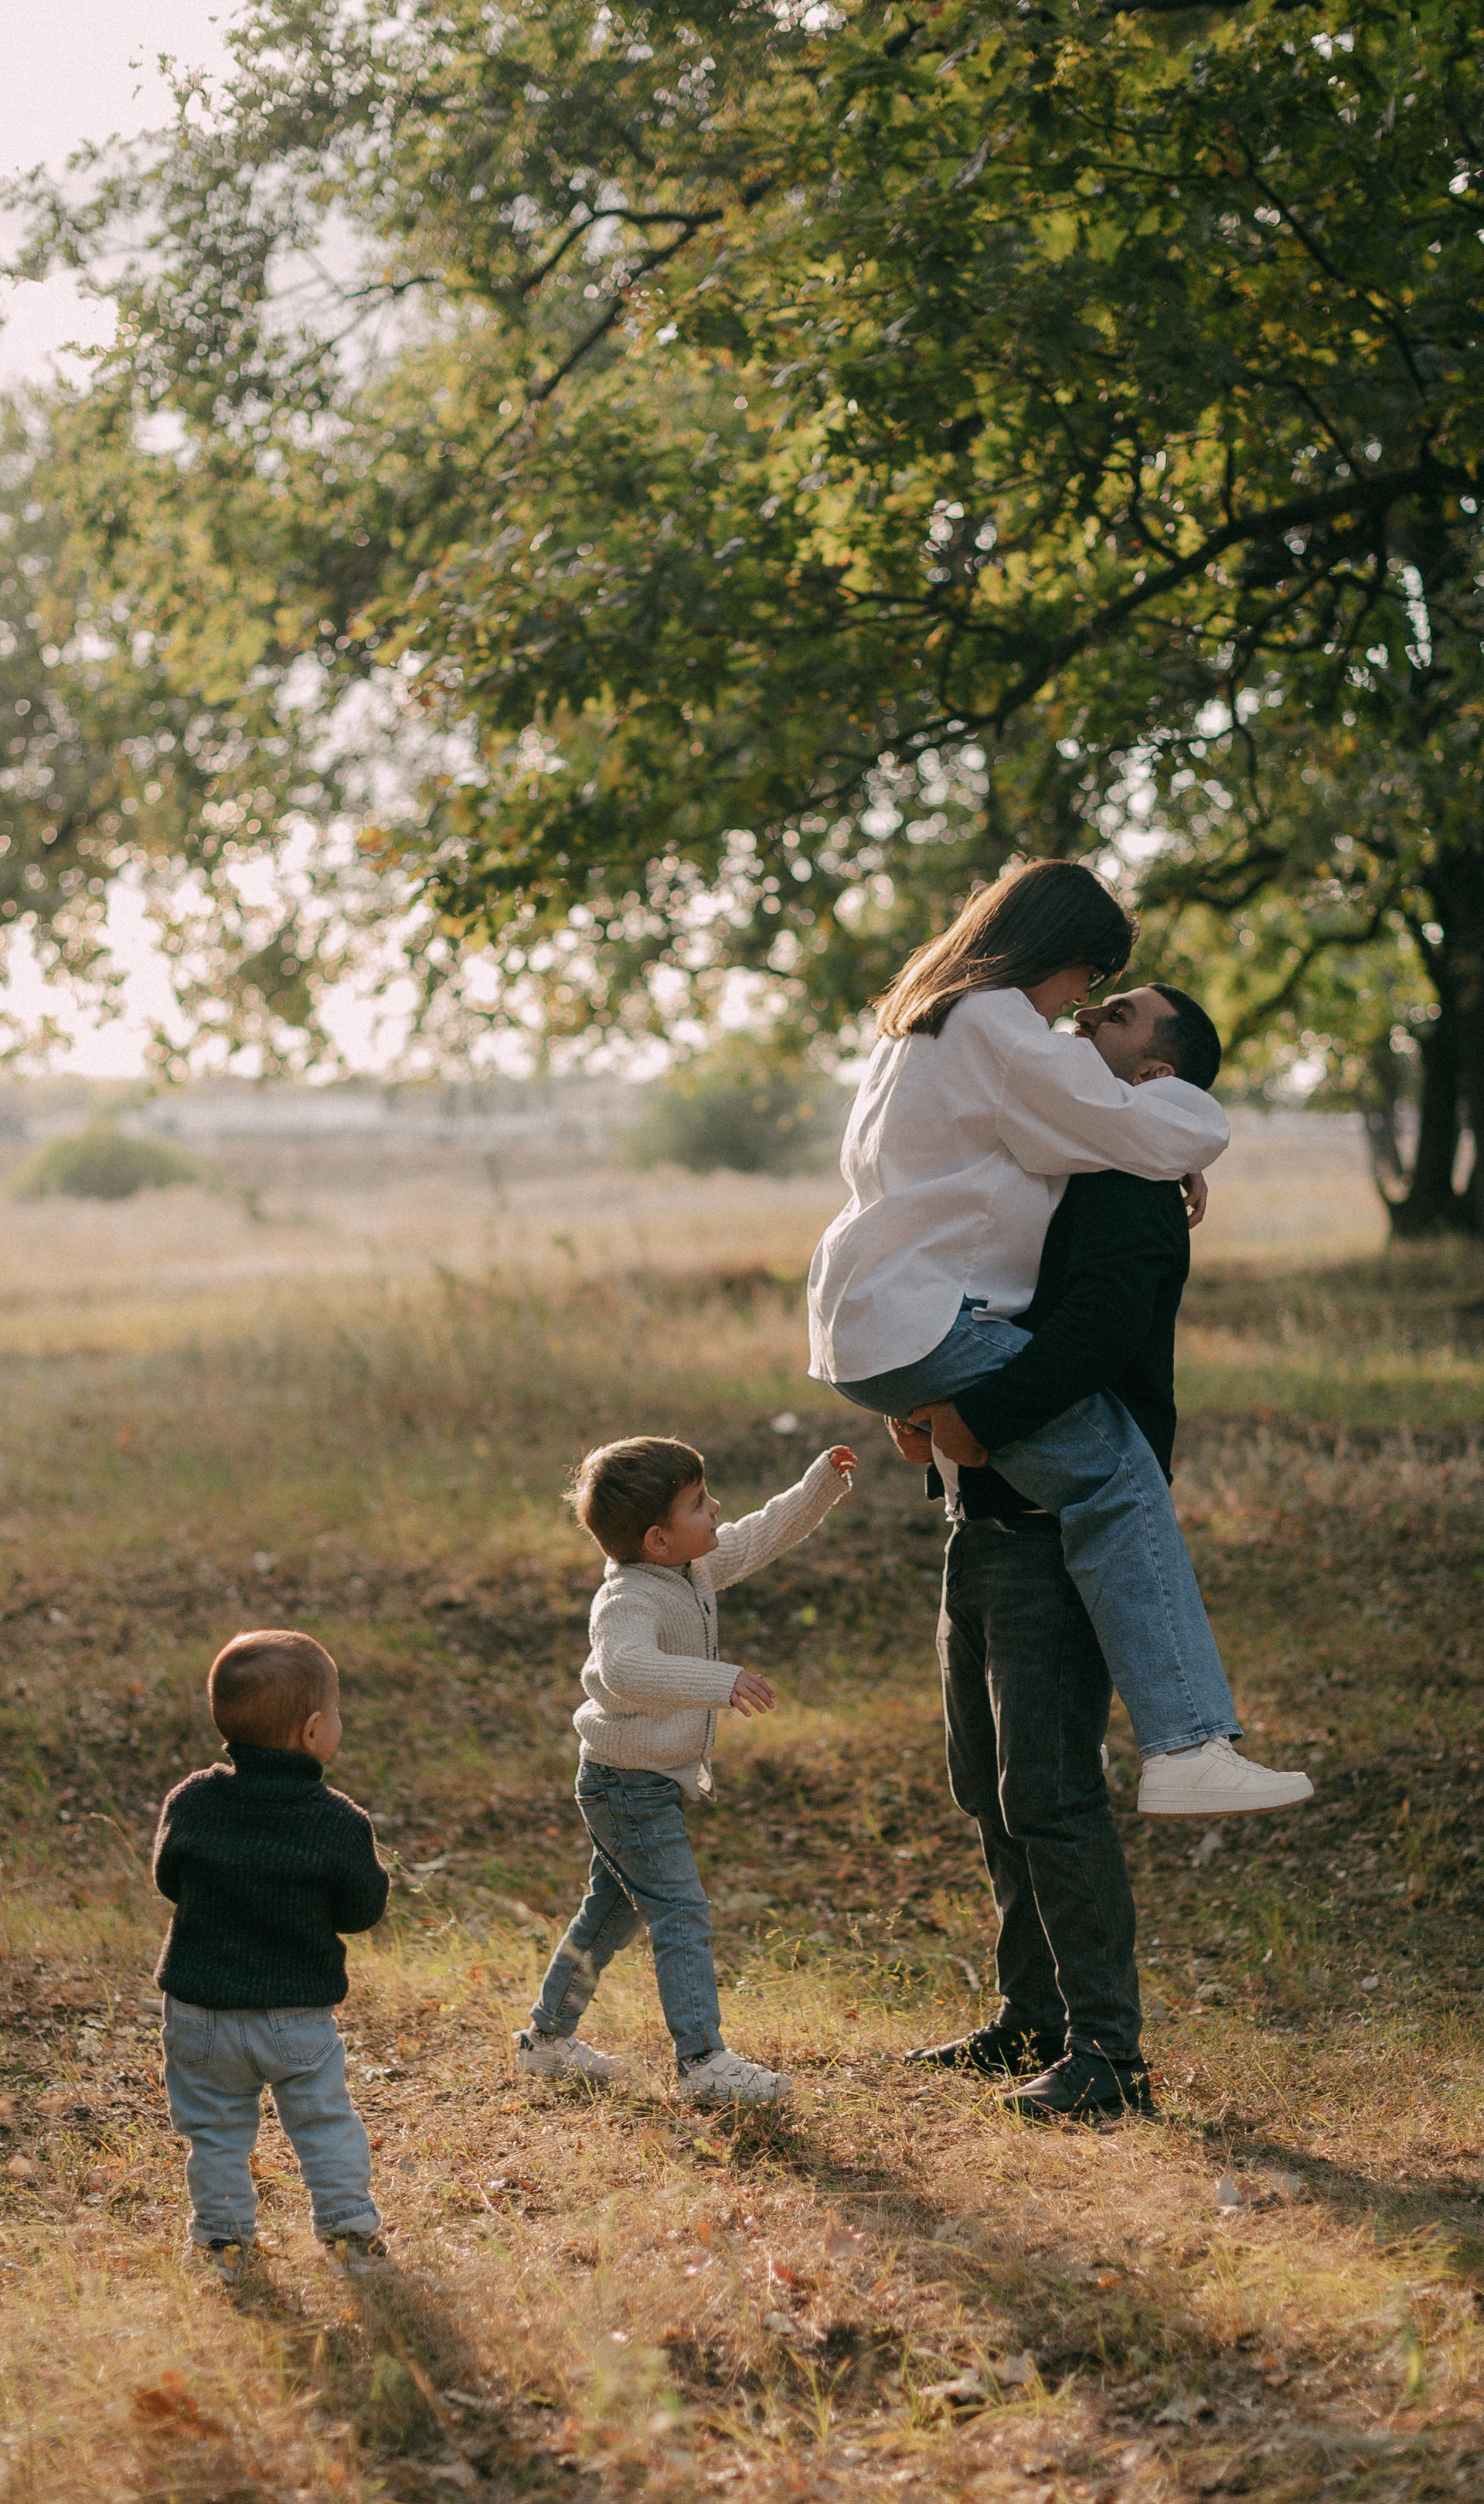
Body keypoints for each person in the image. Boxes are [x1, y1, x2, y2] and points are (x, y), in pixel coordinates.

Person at [808, 860, 1309, 1819]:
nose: (1080, 1001)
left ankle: (1175, 1744)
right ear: (1052, 948)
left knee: (1087, 1470)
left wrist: (1151, 1144)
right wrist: (1178, 1144)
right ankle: (1184, 1744)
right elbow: (1147, 1130)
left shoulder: (928, 1022)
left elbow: (1069, 1138)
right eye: (1089, 974)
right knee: (1120, 1475)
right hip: (921, 1314)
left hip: (867, 1315)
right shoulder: (1000, 1024)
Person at [895, 979, 1294, 2122]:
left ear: (1156, 1074)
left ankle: (1108, 2056)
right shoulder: (1060, 1155)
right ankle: (1029, 2018)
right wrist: (929, 1410)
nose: (1083, 1022)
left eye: (1113, 1015)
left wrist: (987, 1416)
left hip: (1057, 1534)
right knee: (987, 1786)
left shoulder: (1130, 1186)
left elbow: (1098, 1329)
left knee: (1051, 1791)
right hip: (978, 1512)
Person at [516, 1435, 856, 2106]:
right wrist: (720, 1681)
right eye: (699, 1504)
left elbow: (759, 1535)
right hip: (625, 1785)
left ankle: (547, 2042)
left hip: (640, 1779)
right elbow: (624, 1669)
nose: (716, 1509)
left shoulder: (690, 1569)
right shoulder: (627, 1602)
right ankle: (703, 2061)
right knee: (680, 1912)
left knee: (609, 1917)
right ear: (656, 1540)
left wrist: (820, 1484)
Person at [152, 1630, 391, 2282]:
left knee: (216, 2133)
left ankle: (225, 2243)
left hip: (199, 2010)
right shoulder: (338, 1821)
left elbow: (169, 1879)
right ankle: (349, 2232)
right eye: (337, 1713)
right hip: (294, 2017)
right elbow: (362, 1912)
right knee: (322, 2124)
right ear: (314, 1731)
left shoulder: (193, 1800)